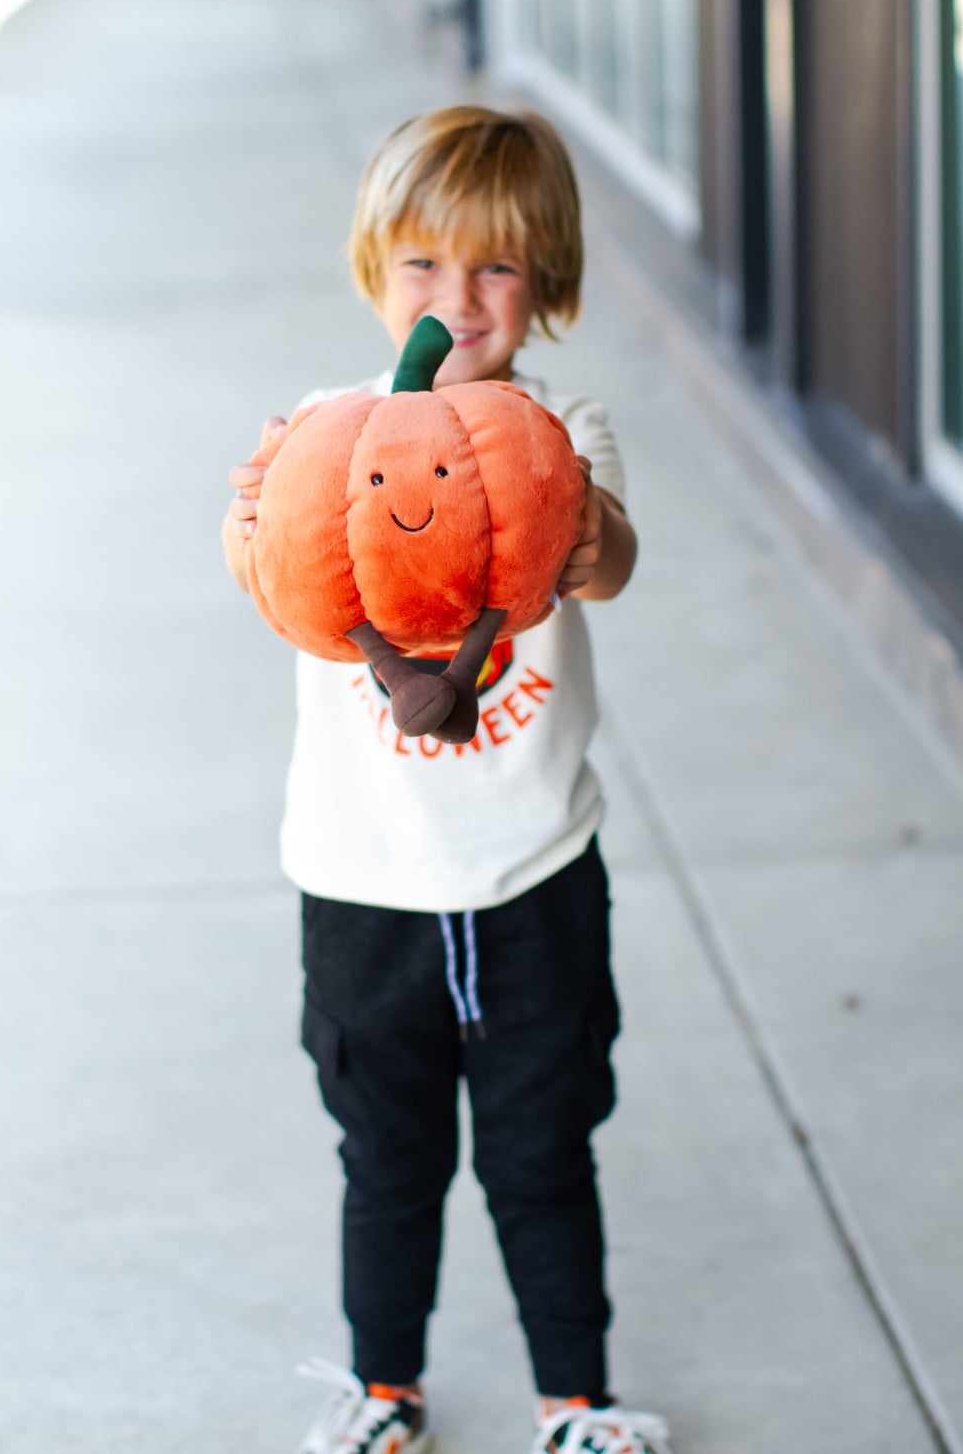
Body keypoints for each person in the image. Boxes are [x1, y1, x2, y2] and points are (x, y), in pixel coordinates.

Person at [222, 105, 672, 1454]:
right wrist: (256, 517)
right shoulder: (321, 432)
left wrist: (574, 522)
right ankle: (382, 1390)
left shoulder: (558, 428)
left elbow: (606, 561)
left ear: (547, 286)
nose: (458, 298)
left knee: (544, 1155)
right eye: (424, 264)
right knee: (389, 1160)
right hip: (364, 884)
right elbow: (274, 574)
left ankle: (577, 1404)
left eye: (496, 269)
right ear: (377, 271)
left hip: (531, 868)